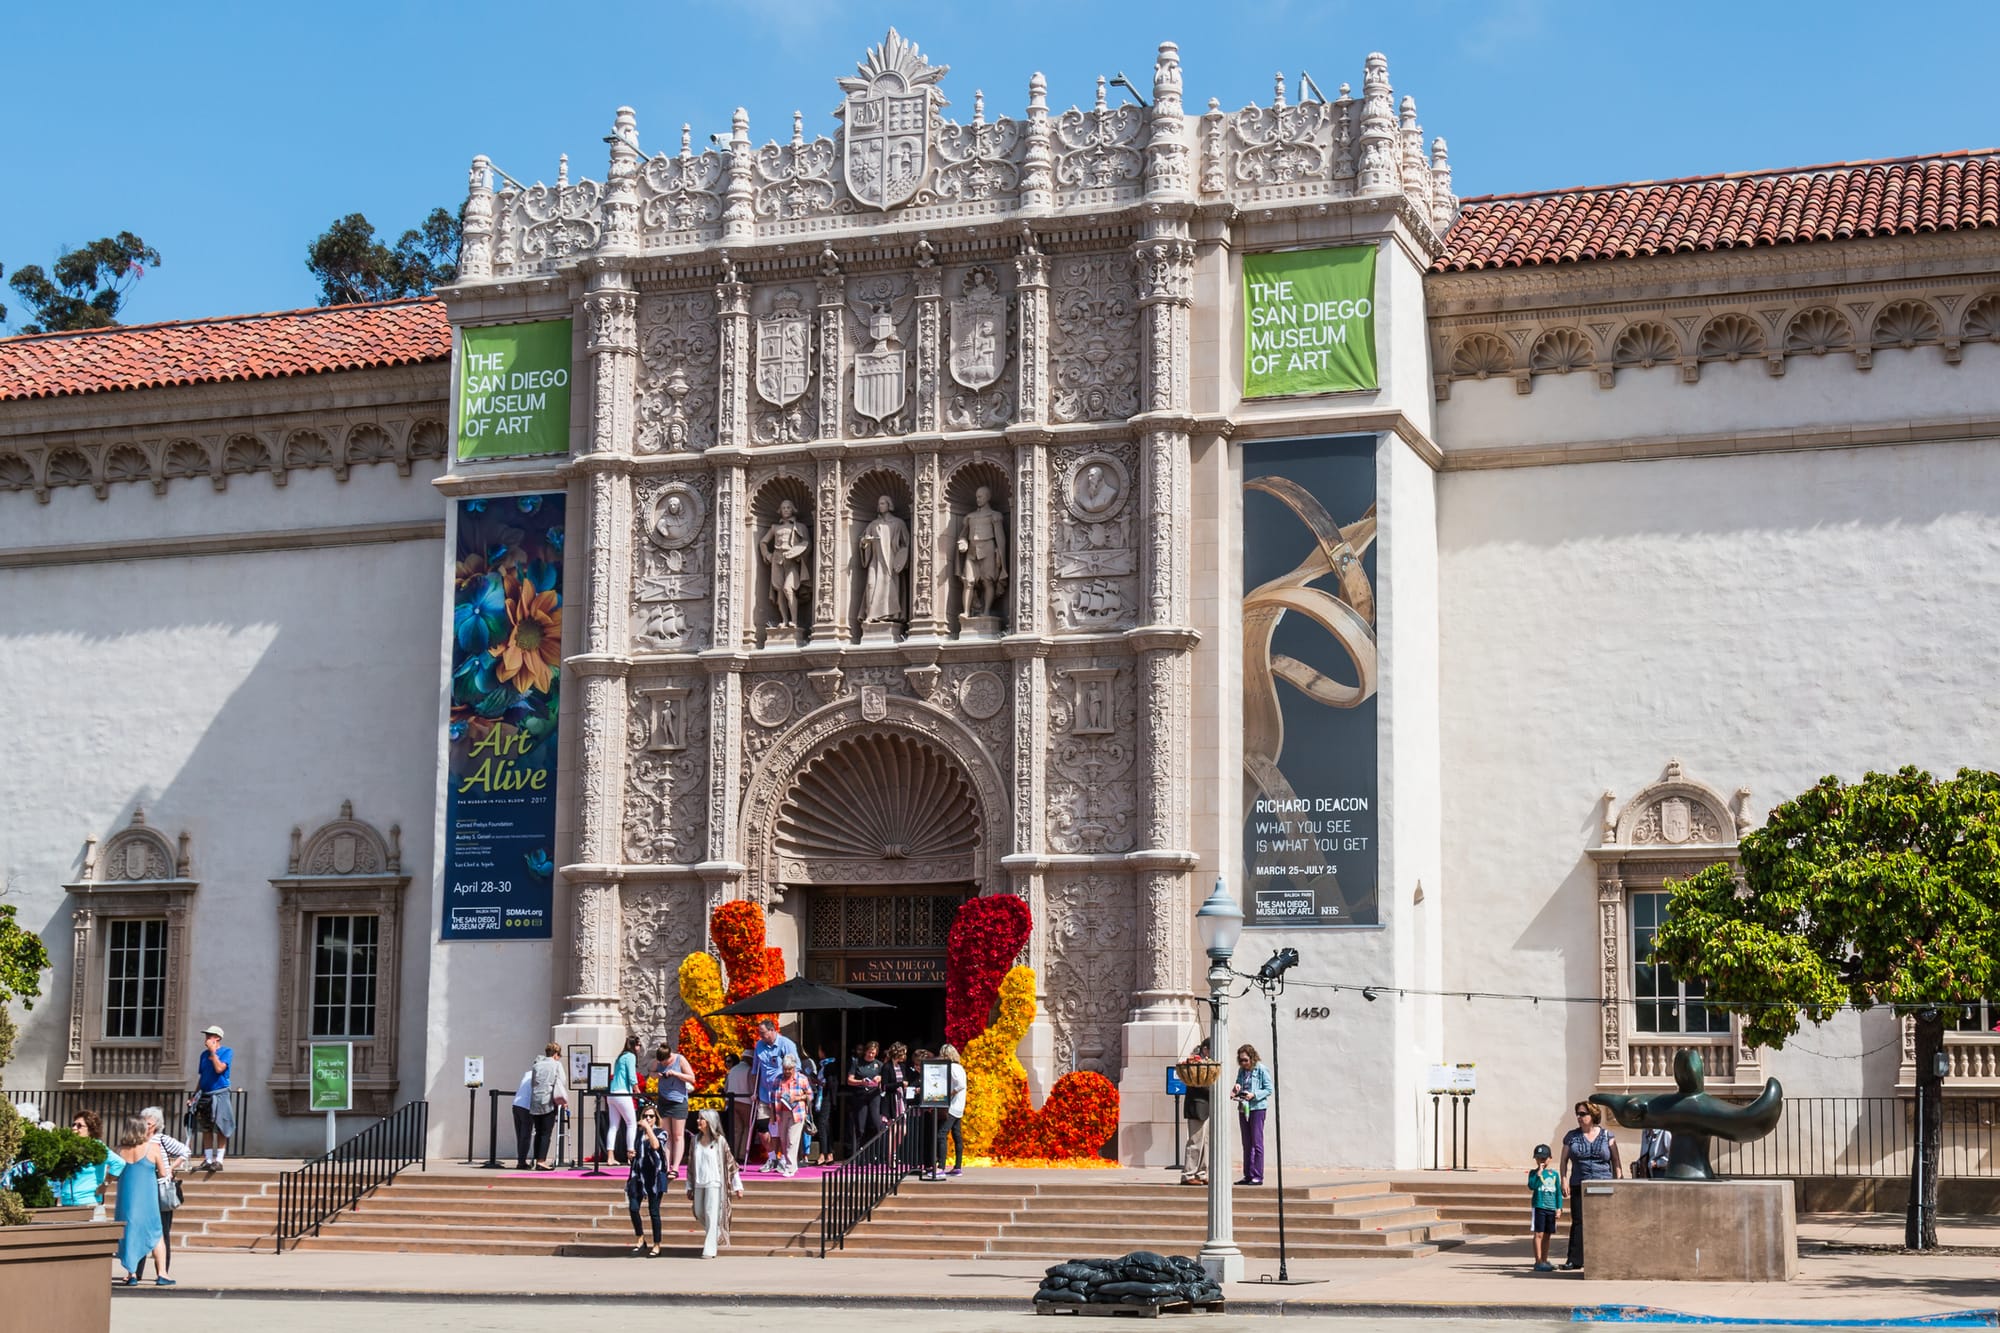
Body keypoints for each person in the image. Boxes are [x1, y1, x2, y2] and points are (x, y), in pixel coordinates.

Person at [1558, 1100, 1621, 1270]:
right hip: (1579, 1182)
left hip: (1603, 1183)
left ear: (1592, 1115)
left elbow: (1616, 1161)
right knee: (1578, 1222)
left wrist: (1619, 1181)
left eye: (1583, 1114)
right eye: (1577, 1114)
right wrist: (1563, 1179)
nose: (1579, 1117)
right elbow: (1563, 1161)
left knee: (1604, 1221)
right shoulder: (1571, 1136)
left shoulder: (1607, 1136)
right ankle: (1574, 1259)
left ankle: (1606, 1258)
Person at [112, 1116, 172, 1286]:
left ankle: (131, 1273)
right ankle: (162, 1273)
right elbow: (163, 1172)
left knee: (129, 1232)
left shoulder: (119, 1150)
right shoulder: (153, 1148)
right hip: (147, 1198)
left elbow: (114, 1173)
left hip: (126, 1198)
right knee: (155, 1233)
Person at [137, 1106, 190, 1280]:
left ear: (156, 1125)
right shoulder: (137, 1140)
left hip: (161, 1187)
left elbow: (185, 1151)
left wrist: (171, 1168)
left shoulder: (161, 1139)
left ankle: (162, 1270)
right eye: (144, 1121)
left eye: (149, 1123)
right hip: (144, 1187)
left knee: (162, 1230)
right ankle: (136, 1271)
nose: (145, 1125)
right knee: (141, 1231)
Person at [685, 1108, 744, 1259]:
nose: (698, 1121)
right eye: (699, 1118)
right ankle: (716, 1232)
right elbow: (691, 1164)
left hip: (715, 1182)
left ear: (710, 1122)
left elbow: (731, 1163)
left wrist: (738, 1186)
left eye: (702, 1119)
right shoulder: (694, 1140)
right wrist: (689, 1185)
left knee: (711, 1213)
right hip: (699, 1182)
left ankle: (709, 1249)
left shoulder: (720, 1141)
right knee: (699, 1211)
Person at [751, 1018, 799, 1170]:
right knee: (762, 1128)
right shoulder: (759, 1045)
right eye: (759, 1033)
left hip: (780, 1095)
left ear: (772, 1030)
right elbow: (755, 1070)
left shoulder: (786, 1044)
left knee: (781, 1130)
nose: (761, 1036)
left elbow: (796, 1068)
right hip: (764, 1094)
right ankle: (772, 1157)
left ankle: (782, 1159)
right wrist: (754, 1091)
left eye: (763, 1033)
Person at [624, 1105, 670, 1255]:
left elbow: (655, 1146)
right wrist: (632, 1155)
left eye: (651, 1116)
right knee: (633, 1207)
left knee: (654, 1211)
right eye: (645, 1116)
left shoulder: (661, 1133)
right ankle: (640, 1238)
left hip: (654, 1176)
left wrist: (648, 1128)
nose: (648, 1119)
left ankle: (657, 1244)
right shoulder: (638, 1134)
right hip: (638, 1175)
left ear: (656, 1118)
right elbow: (637, 1152)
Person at [859, 494, 909, 625]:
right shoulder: (873, 524)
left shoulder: (898, 523)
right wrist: (865, 542)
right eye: (879, 504)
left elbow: (906, 544)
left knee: (889, 587)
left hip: (891, 562)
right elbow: (863, 541)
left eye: (882, 503)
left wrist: (900, 559)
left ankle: (891, 615)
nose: (880, 506)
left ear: (889, 505)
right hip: (876, 561)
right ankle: (871, 614)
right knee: (871, 585)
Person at [649, 1040, 696, 1179]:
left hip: (678, 1100)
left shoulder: (680, 1059)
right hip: (663, 1100)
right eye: (661, 1062)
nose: (663, 1064)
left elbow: (692, 1078)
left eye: (665, 1062)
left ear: (669, 1056)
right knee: (666, 1135)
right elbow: (651, 1073)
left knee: (677, 1135)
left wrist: (676, 1074)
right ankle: (666, 1165)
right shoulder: (658, 1061)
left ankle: (675, 1167)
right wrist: (657, 1074)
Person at [193, 1024, 234, 1172]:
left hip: (219, 1094)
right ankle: (208, 1159)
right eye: (206, 1035)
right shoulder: (203, 1055)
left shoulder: (226, 1052)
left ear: (217, 1038)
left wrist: (213, 1052)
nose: (206, 1038)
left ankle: (219, 1160)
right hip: (205, 1094)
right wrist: (194, 1095)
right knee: (206, 1127)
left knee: (221, 1127)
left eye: (209, 1036)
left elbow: (219, 1069)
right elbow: (202, 1077)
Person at [1230, 1044, 1272, 1186]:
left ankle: (1257, 1175)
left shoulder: (1261, 1069)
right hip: (1244, 1107)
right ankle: (1248, 1175)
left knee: (1256, 1142)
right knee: (1246, 1143)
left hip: (1257, 1108)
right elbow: (1239, 1084)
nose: (1243, 1063)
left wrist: (1254, 1095)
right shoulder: (1241, 1071)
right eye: (1241, 1060)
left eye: (1246, 1060)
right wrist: (1236, 1088)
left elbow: (1269, 1089)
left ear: (1252, 1058)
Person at [769, 1054, 813, 1176]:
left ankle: (790, 1167)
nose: (787, 1071)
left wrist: (797, 1098)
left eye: (789, 1069)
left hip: (797, 1113)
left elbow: (810, 1095)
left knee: (792, 1140)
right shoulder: (778, 1079)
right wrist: (772, 1115)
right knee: (783, 1139)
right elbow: (772, 1098)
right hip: (781, 1113)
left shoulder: (802, 1078)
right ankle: (790, 1164)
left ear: (794, 1068)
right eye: (785, 1069)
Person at [528, 1043, 569, 1170]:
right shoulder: (556, 1065)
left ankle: (536, 1159)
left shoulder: (536, 1065)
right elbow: (562, 1081)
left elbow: (533, 1083)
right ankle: (541, 1161)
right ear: (556, 1054)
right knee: (546, 1133)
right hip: (548, 1101)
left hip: (535, 1100)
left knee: (538, 1131)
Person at [1179, 1039, 1211, 1186]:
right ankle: (1188, 1174)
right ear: (1205, 1049)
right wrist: (1216, 1090)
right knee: (1195, 1142)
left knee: (1205, 1143)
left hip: (1206, 1107)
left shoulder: (1207, 1063)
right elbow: (1200, 1084)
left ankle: (1202, 1173)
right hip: (1197, 1107)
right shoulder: (1194, 1064)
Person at [1528, 1143, 1564, 1272]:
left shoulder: (1554, 1174)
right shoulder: (1533, 1173)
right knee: (1539, 1234)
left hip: (1551, 1208)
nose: (1541, 1161)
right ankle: (1538, 1261)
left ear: (1550, 1158)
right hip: (1539, 1207)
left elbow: (1558, 1192)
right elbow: (1532, 1186)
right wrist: (1539, 1174)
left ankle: (1544, 1259)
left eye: (1544, 1158)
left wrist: (1559, 1207)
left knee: (1548, 1235)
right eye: (1538, 1158)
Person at [607, 1034, 641, 1166]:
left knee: (613, 1126)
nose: (639, 1048)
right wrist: (637, 1090)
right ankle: (630, 1154)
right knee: (631, 1123)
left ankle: (610, 1156)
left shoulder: (621, 1056)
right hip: (622, 1092)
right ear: (634, 1045)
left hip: (612, 1092)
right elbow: (632, 1076)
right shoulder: (630, 1056)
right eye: (638, 1045)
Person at [935, 1043, 967, 1176]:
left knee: (941, 1134)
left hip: (953, 1106)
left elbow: (960, 1085)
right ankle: (957, 1166)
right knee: (956, 1135)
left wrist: (948, 1094)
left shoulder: (952, 1067)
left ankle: (941, 1166)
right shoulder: (960, 1067)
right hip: (959, 1106)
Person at [846, 1040, 884, 1148]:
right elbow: (849, 1080)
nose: (871, 1055)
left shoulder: (879, 1064)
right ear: (865, 1051)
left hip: (874, 1095)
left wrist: (880, 1078)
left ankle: (875, 1151)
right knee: (860, 1126)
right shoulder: (857, 1062)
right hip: (860, 1095)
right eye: (869, 1052)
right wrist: (861, 1082)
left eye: (873, 1053)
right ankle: (858, 1151)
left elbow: (885, 1078)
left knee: (876, 1123)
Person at [724, 1052, 755, 1162]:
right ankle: (742, 1155)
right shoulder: (749, 1070)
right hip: (745, 1101)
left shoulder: (732, 1070)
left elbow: (726, 1088)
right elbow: (752, 1087)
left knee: (736, 1129)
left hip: (732, 1101)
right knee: (747, 1128)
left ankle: (734, 1154)